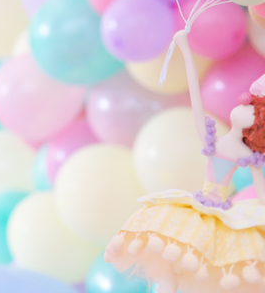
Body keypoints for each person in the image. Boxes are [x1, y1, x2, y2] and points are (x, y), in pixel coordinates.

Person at [104, 29, 265, 293]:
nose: (243, 103)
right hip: (198, 210)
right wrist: (186, 50)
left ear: (256, 124)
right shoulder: (213, 139)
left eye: (251, 108)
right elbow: (195, 97)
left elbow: (262, 195)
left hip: (218, 218)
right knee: (173, 268)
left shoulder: (246, 154)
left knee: (199, 272)